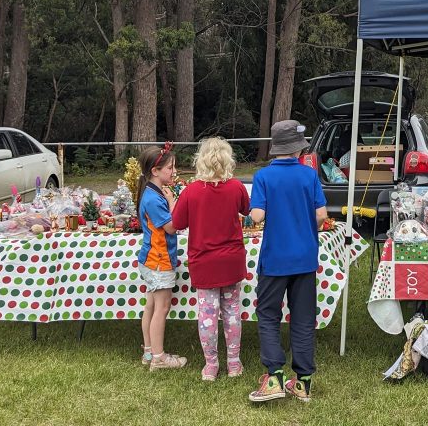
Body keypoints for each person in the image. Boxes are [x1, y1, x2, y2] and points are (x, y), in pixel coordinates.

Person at [247, 120, 328, 403]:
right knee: (303, 319)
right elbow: (321, 215)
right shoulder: (310, 175)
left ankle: (274, 379)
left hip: (275, 259)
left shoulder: (263, 177)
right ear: (298, 148)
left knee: (269, 315)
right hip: (305, 258)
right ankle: (303, 383)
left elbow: (256, 216)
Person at [171, 138, 250, 381]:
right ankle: (234, 364)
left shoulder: (191, 191)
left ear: (200, 160)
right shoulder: (236, 187)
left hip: (203, 261)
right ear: (228, 160)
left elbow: (177, 224)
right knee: (232, 312)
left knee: (207, 314)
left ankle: (211, 366)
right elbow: (247, 211)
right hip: (231, 260)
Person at [135, 143, 187, 371]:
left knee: (151, 306)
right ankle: (159, 358)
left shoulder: (152, 193)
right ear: (155, 172)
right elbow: (171, 228)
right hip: (159, 261)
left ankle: (149, 352)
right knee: (162, 308)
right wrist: (176, 205)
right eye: (170, 168)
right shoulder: (153, 199)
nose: (173, 172)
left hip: (151, 259)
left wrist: (170, 201)